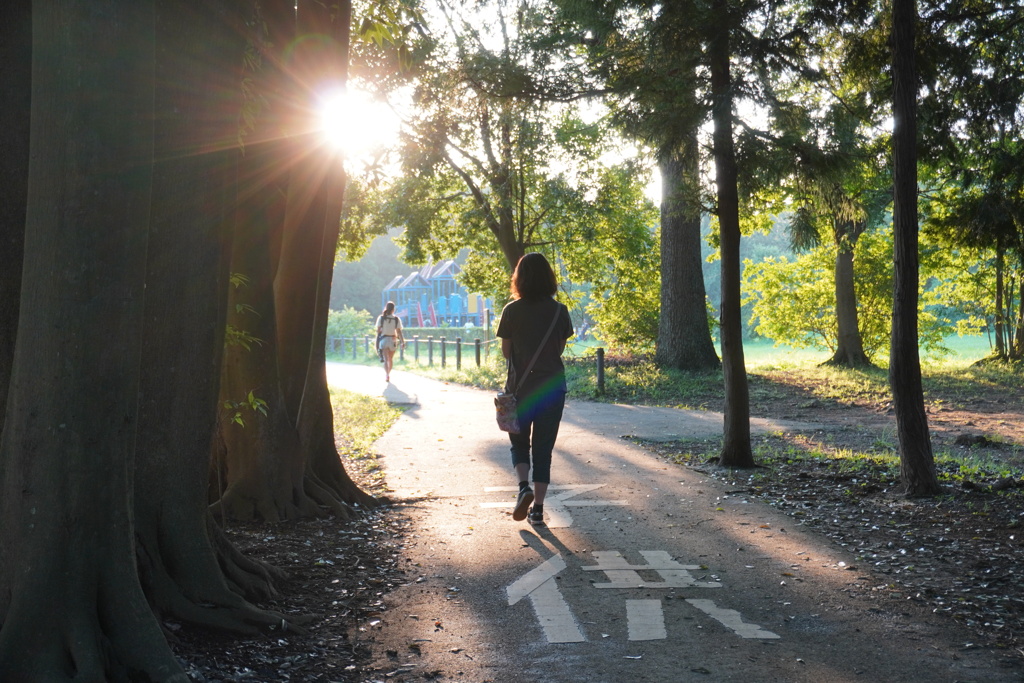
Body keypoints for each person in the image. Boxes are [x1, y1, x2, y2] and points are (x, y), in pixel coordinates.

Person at [496, 253, 574, 526]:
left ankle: (523, 488)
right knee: (543, 449)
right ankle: (538, 510)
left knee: (519, 443)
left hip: (520, 389)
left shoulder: (511, 310)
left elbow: (507, 352)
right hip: (552, 389)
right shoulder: (559, 311)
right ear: (549, 278)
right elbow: (559, 349)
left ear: (520, 278)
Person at [375, 301, 405, 383]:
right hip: (393, 340)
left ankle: (387, 374)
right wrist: (402, 342)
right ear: (393, 309)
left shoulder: (381, 318)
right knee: (390, 359)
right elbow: (399, 332)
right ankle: (389, 373)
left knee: (385, 358)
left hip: (384, 340)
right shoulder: (396, 319)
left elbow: (378, 331)